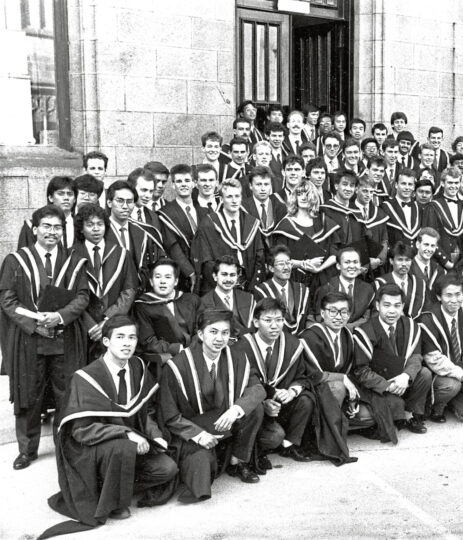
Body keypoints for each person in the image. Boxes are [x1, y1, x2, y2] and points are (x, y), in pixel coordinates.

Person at [43, 317, 177, 536]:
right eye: (120, 337)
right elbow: (81, 431)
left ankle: (113, 488)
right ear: (106, 341)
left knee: (167, 468)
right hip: (95, 450)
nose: (127, 343)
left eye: (132, 337)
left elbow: (147, 412)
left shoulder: (138, 367)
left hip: (130, 448)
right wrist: (126, 434)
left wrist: (155, 435)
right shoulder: (86, 377)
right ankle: (113, 500)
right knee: (122, 447)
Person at [0, 205, 90, 470]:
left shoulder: (73, 261)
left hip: (64, 339)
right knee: (29, 395)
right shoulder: (16, 260)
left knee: (66, 395)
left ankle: (66, 446)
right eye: (47, 227)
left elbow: (83, 296)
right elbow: (7, 300)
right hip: (30, 340)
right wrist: (34, 324)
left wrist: (59, 317)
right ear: (35, 229)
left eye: (57, 227)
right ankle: (28, 450)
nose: (52, 232)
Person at [159, 309, 266, 501]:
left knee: (254, 408)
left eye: (225, 333)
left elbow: (258, 389)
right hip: (195, 428)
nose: (219, 338)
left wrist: (236, 410)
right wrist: (198, 435)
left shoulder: (238, 358)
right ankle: (211, 457)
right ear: (200, 334)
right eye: (213, 332)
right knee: (201, 479)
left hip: (226, 421)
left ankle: (238, 461)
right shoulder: (177, 366)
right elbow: (169, 414)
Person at [232, 299, 319, 464]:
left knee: (306, 400)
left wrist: (291, 392)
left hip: (281, 406)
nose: (275, 326)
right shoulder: (242, 347)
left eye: (279, 320)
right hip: (254, 408)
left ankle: (289, 445)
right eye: (268, 320)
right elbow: (239, 386)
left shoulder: (292, 344)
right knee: (274, 437)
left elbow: (301, 376)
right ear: (256, 322)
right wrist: (264, 401)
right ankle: (252, 453)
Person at [353, 284, 431, 442]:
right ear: (377, 305)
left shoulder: (410, 326)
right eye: (386, 305)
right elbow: (361, 371)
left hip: (401, 379)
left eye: (397, 306)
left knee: (425, 374)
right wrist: (387, 386)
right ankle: (397, 415)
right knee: (381, 417)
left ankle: (410, 415)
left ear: (403, 306)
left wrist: (405, 376)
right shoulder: (364, 331)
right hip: (378, 386)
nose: (392, 311)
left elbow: (416, 357)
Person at [418, 274, 463, 423]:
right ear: (439, 296)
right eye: (448, 295)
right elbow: (435, 360)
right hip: (439, 376)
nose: (454, 300)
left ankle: (454, 401)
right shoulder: (428, 319)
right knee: (452, 386)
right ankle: (436, 406)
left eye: (458, 294)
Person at [73, 204, 138, 361]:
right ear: (81, 229)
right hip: (83, 327)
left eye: (100, 224)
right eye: (90, 225)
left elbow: (128, 291)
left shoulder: (121, 253)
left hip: (114, 324)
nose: (96, 229)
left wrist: (108, 321)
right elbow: (70, 295)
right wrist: (90, 324)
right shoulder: (71, 255)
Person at [192, 178, 265, 295]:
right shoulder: (209, 224)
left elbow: (259, 258)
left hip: (248, 288)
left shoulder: (252, 223)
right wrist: (225, 286)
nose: (234, 200)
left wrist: (252, 289)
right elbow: (206, 262)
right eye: (229, 197)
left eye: (237, 196)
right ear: (221, 199)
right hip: (218, 289)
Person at [133, 258, 202, 369]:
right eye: (158, 277)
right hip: (168, 360)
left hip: (197, 352)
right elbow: (148, 341)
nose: (162, 281)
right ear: (151, 281)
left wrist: (194, 347)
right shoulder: (143, 306)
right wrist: (177, 349)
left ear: (175, 281)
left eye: (168, 277)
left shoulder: (191, 300)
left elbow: (202, 328)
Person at [270, 179, 340, 286]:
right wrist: (303, 264)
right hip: (296, 279)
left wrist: (319, 268)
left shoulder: (324, 221)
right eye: (299, 194)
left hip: (324, 277)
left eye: (307, 194)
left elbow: (335, 254)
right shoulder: (285, 225)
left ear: (313, 197)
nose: (303, 197)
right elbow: (281, 259)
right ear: (295, 197)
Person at [106, 180, 165, 286]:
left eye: (129, 201)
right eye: (120, 201)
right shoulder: (101, 231)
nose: (125, 206)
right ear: (109, 203)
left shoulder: (141, 232)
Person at [158, 164, 203, 293]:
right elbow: (173, 247)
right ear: (173, 185)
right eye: (179, 181)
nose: (183, 185)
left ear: (194, 183)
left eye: (187, 181)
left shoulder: (204, 211)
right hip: (183, 275)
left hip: (204, 273)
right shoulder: (165, 213)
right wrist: (190, 272)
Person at [253, 245, 311, 336]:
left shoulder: (301, 290)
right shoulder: (262, 291)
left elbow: (307, 318)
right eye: (281, 264)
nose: (286, 268)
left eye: (288, 263)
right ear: (271, 268)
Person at [313, 247, 375, 330]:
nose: (352, 266)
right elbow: (319, 317)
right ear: (338, 266)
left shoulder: (367, 289)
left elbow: (367, 317)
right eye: (347, 262)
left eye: (355, 262)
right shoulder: (326, 289)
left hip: (358, 333)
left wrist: (350, 328)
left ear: (360, 265)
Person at [423, 168, 463, 269]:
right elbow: (430, 237)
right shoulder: (433, 207)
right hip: (439, 262)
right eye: (450, 183)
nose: (453, 186)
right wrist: (445, 261)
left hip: (462, 264)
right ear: (442, 183)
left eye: (456, 183)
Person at [200, 256, 256, 340]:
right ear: (215, 276)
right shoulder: (204, 302)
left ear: (237, 277)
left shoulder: (248, 298)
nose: (228, 279)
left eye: (232, 275)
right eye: (224, 274)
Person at [18, 176, 77, 250]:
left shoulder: (80, 225)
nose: (66, 198)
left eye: (70, 194)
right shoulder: (32, 225)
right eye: (61, 193)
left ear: (74, 199)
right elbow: (23, 256)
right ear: (50, 198)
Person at [375, 241, 428, 318]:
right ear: (391, 261)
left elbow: (426, 311)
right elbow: (376, 314)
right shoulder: (380, 283)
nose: (404, 264)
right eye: (400, 260)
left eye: (407, 260)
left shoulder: (419, 283)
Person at [382, 168, 421, 247]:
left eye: (410, 184)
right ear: (396, 185)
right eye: (403, 183)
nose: (407, 187)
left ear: (414, 187)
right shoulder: (385, 207)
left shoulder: (419, 208)